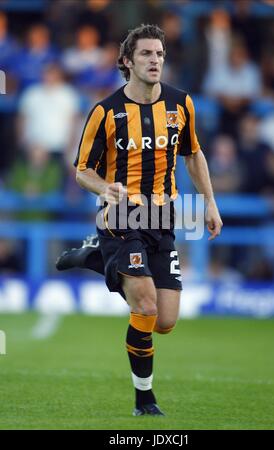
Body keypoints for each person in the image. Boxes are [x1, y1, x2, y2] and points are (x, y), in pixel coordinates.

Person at [56, 24, 223, 416]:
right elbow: (82, 170)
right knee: (145, 306)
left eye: (160, 54)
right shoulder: (106, 111)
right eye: (146, 54)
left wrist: (211, 203)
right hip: (121, 215)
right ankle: (144, 399)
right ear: (127, 61)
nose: (155, 61)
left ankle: (97, 258)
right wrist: (104, 189)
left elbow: (193, 155)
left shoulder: (182, 104)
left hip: (163, 218)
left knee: (165, 321)